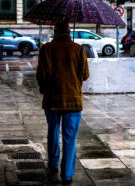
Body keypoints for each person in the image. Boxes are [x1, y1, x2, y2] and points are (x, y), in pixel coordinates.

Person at [36, 21, 89, 184]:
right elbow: (85, 75)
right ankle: (67, 174)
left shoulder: (46, 49)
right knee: (70, 137)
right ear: (69, 32)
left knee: (53, 132)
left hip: (52, 99)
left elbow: (41, 75)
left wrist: (45, 90)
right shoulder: (79, 49)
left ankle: (53, 164)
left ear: (55, 31)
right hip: (73, 100)